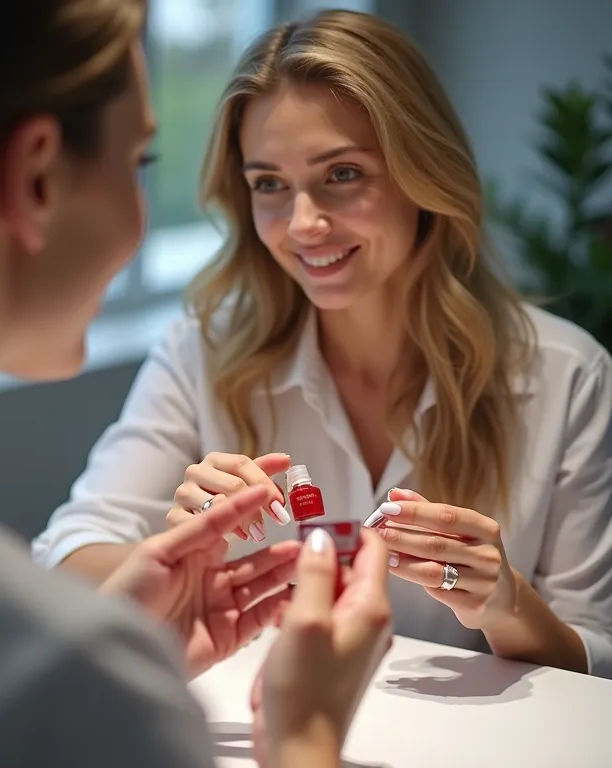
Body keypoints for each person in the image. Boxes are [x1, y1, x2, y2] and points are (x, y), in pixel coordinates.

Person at [0, 1, 392, 766]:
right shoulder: (49, 681)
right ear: (36, 176)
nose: (303, 224)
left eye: (341, 174)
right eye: (140, 162)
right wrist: (304, 737)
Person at [33, 8, 612, 678]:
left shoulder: (567, 376)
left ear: (425, 173)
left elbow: (596, 659)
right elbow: (65, 553)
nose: (303, 224)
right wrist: (175, 560)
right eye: (269, 185)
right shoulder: (203, 351)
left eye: (342, 174)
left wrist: (506, 604)